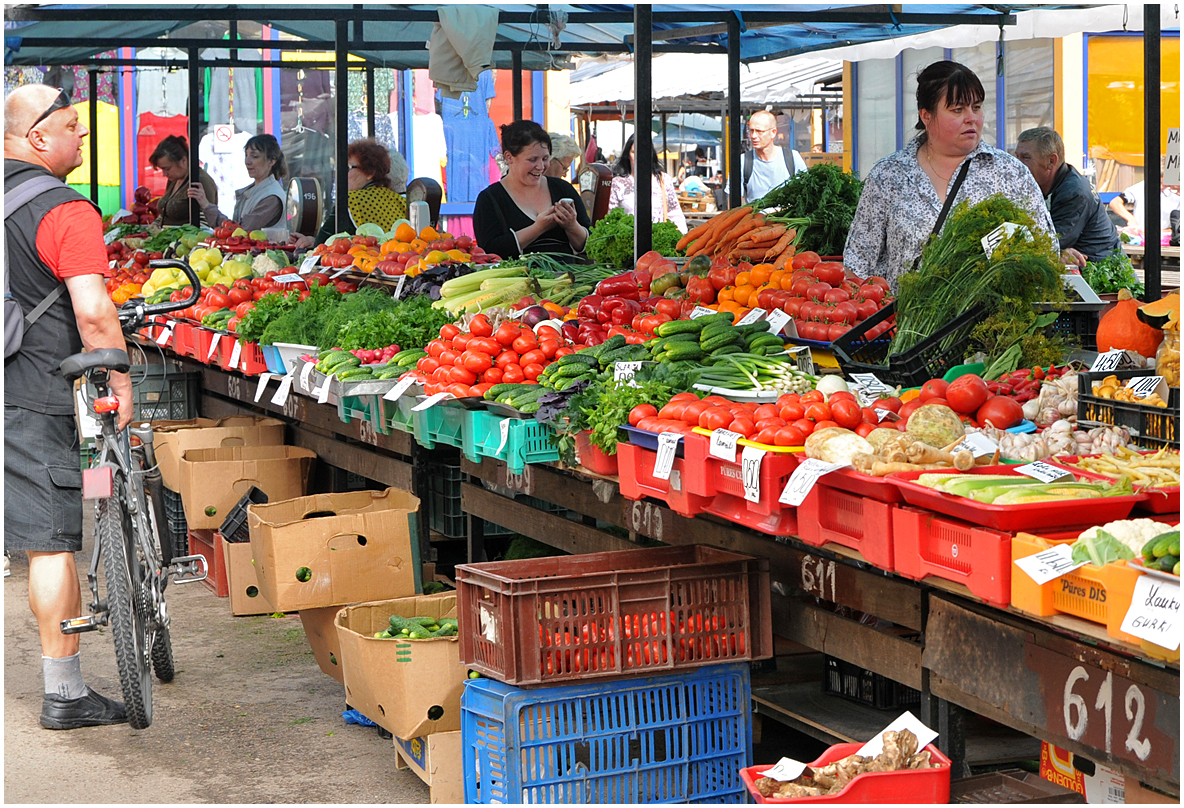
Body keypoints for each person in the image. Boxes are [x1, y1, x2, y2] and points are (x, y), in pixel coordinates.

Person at [4, 84, 132, 730]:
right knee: (50, 542)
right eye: (73, 126)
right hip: (31, 396)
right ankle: (65, 694)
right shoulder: (64, 209)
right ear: (36, 138)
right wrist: (121, 377)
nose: (82, 136)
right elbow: (92, 309)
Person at [843, 60, 1057, 289]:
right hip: (904, 321)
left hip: (991, 320)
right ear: (926, 116)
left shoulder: (1010, 174)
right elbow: (857, 263)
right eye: (957, 110)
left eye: (976, 107)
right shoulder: (888, 176)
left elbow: (1046, 252)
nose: (971, 118)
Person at [473, 120, 590, 259]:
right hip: (515, 279)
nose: (540, 166)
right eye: (533, 159)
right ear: (509, 157)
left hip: (567, 278)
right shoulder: (489, 199)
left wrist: (572, 225)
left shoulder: (563, 189)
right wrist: (538, 228)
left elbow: (590, 244)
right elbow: (490, 250)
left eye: (545, 158)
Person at [1015, 127, 1121, 266]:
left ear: (1051, 161)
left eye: (1026, 158)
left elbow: (1050, 245)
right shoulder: (1048, 183)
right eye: (1016, 157)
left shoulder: (1074, 193)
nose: (1016, 165)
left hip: (1102, 275)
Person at [295, 139, 409, 248]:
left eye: (349, 167)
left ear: (370, 173)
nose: (343, 173)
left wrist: (313, 242)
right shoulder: (399, 200)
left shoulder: (349, 201)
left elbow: (321, 244)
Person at [188, 133, 286, 231]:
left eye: (255, 156)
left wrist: (206, 205)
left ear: (272, 161)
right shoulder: (255, 190)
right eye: (246, 155)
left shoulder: (272, 196)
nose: (247, 161)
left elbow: (239, 232)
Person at [608, 133, 688, 234]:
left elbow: (675, 213)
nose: (639, 157)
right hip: (629, 244)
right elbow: (610, 218)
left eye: (643, 152)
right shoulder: (618, 184)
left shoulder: (664, 180)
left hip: (658, 243)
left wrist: (680, 238)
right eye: (634, 152)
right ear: (628, 155)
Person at [148, 135, 218, 227]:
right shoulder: (174, 180)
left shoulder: (200, 181)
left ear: (183, 161)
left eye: (167, 168)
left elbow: (206, 221)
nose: (164, 174)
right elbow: (165, 214)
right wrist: (154, 227)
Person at [741, 110, 807, 205]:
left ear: (773, 132)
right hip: (754, 218)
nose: (753, 136)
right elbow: (733, 205)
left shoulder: (792, 158)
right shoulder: (743, 161)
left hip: (786, 219)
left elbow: (805, 194)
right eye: (751, 130)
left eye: (759, 131)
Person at [1108, 175, 1181, 238]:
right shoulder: (1142, 186)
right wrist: (1131, 219)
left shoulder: (1177, 194)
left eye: (1163, 183)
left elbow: (1177, 229)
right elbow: (1115, 202)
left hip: (1165, 240)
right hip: (1138, 238)